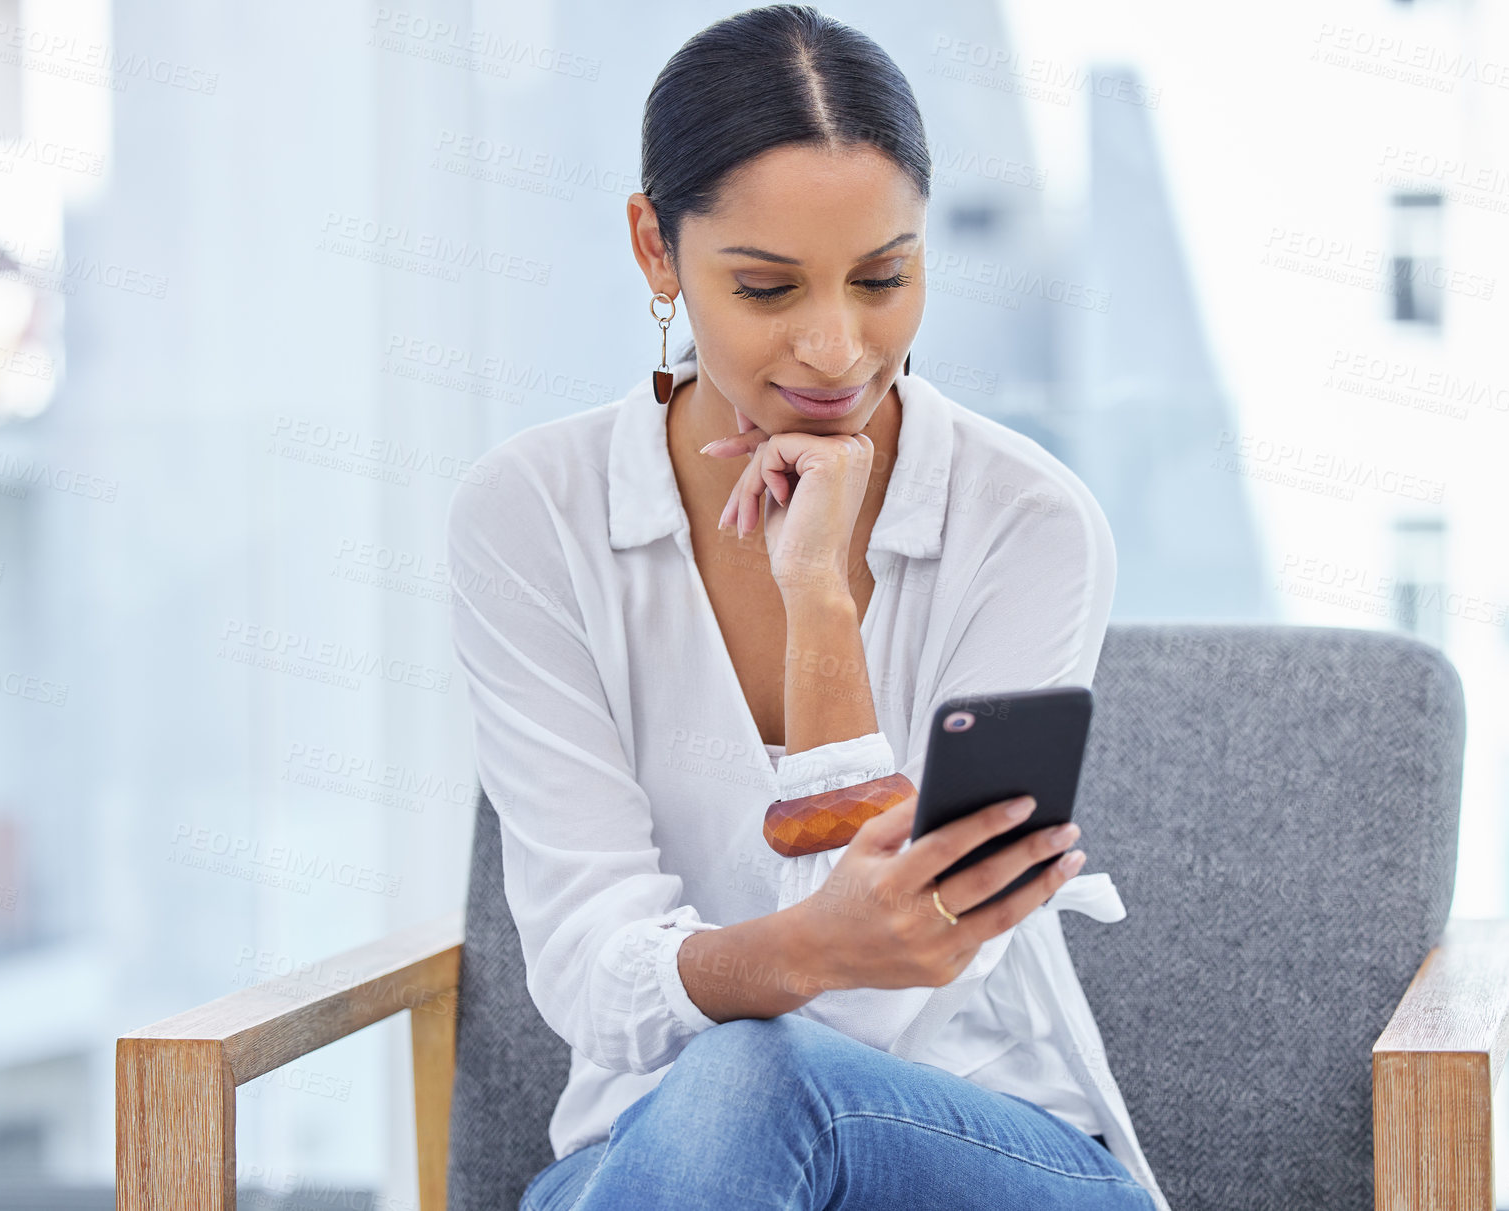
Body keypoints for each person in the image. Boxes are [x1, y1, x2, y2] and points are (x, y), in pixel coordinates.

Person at [446, 6, 1168, 1208]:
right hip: (643, 1158)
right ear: (655, 249)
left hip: (981, 1141)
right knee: (734, 1086)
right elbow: (586, 963)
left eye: (884, 277)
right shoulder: (529, 516)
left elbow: (884, 988)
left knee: (760, 1074)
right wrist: (807, 946)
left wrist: (821, 605)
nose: (839, 350)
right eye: (769, 287)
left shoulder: (1030, 524)